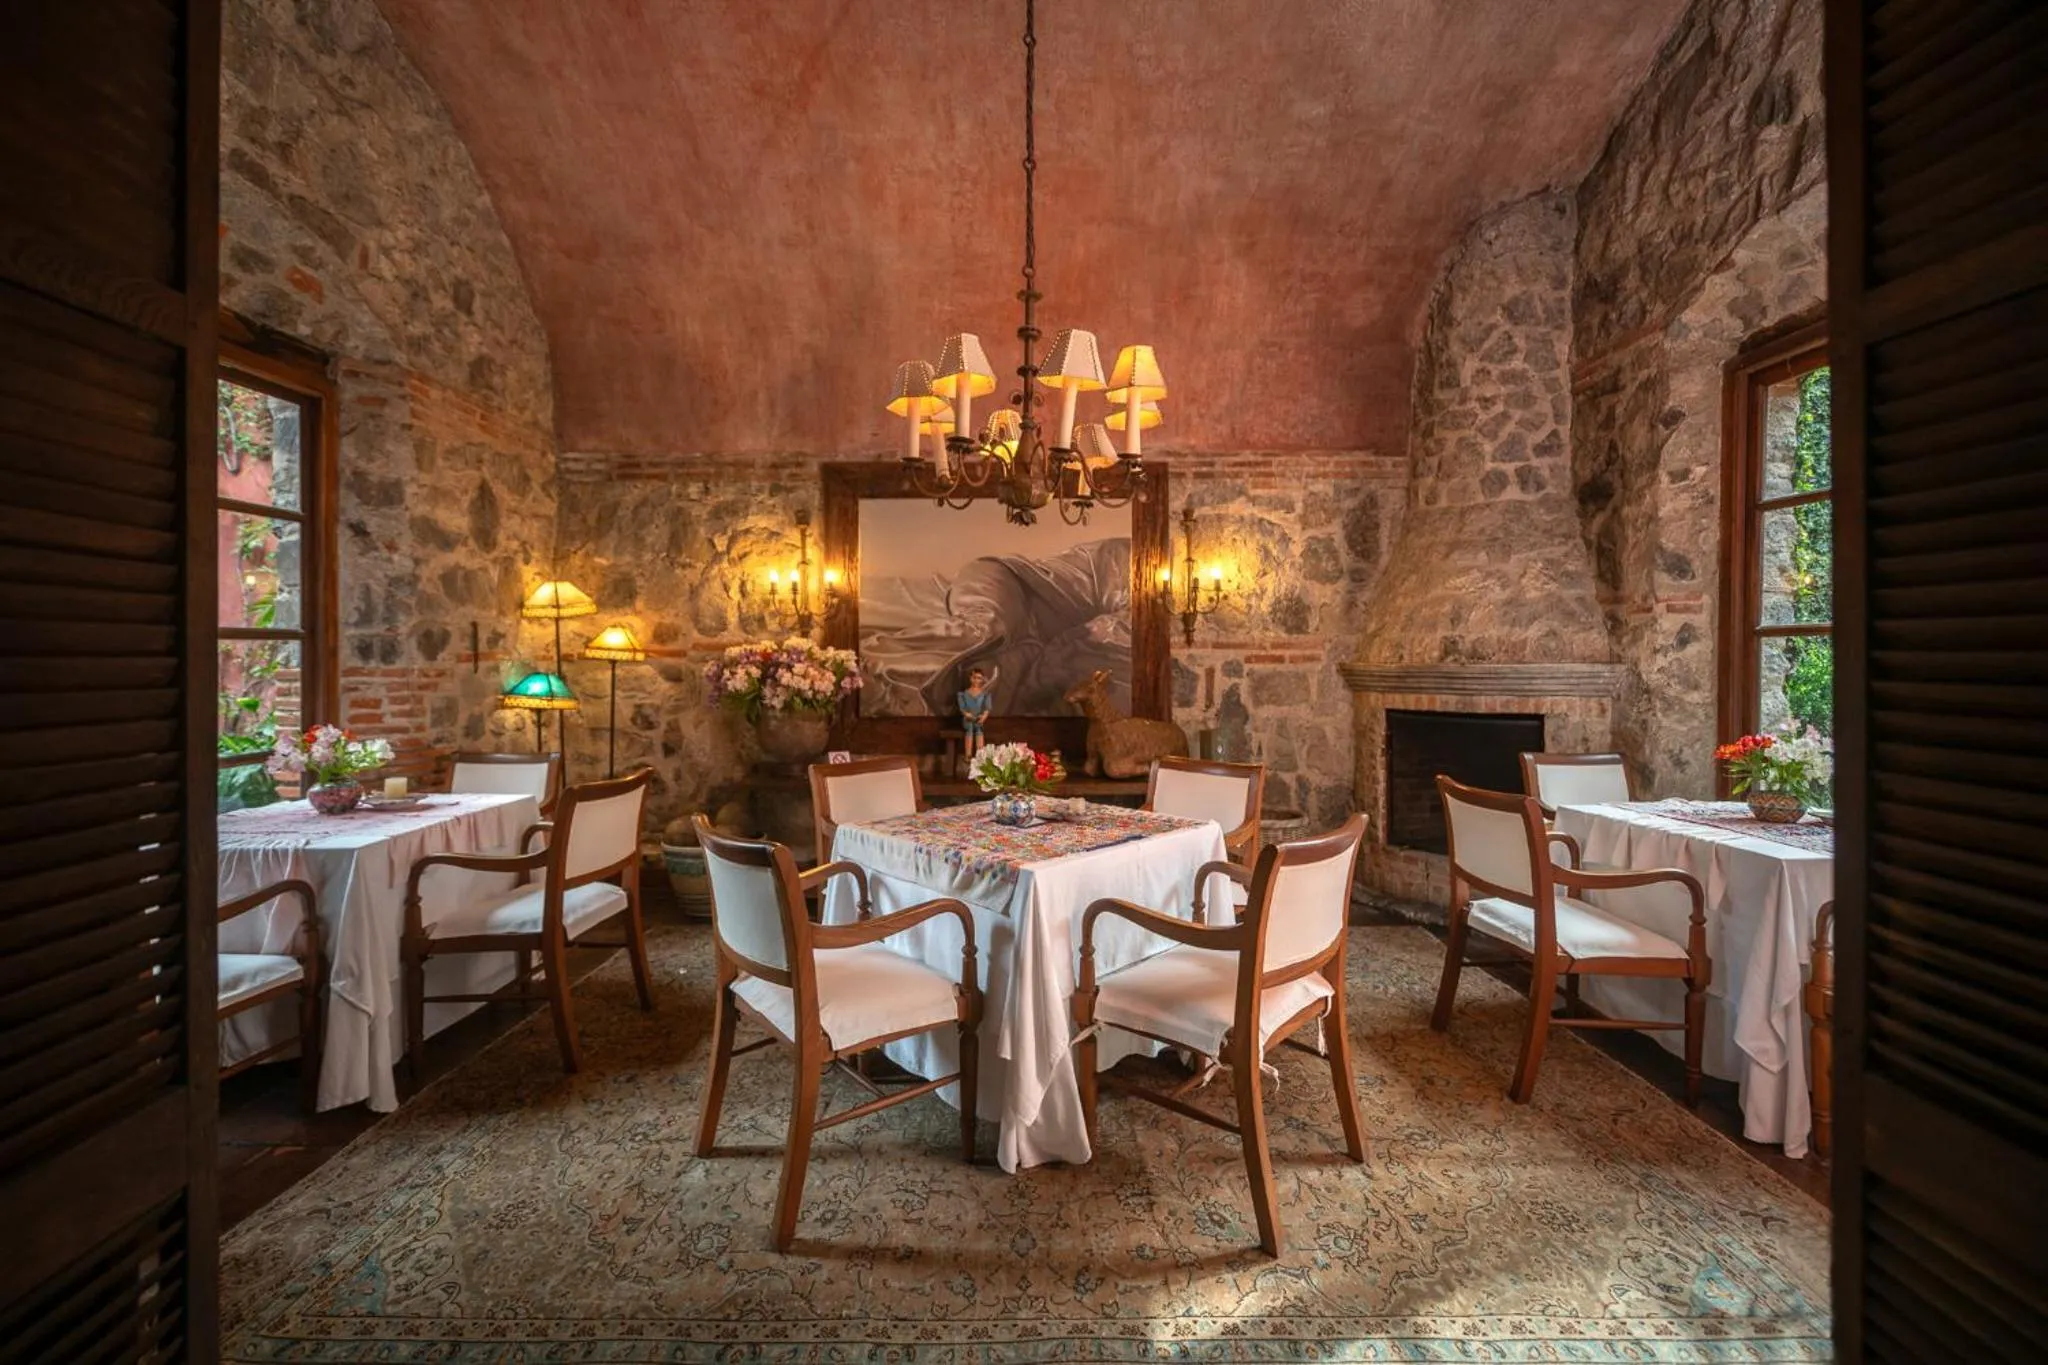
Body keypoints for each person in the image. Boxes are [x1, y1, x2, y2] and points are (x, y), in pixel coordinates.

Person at [957, 667, 994, 757]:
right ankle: (968, 754)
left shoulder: (985, 694)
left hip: (978, 718)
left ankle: (980, 755)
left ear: (982, 680)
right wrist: (966, 714)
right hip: (968, 718)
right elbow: (962, 708)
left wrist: (984, 716)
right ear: (971, 678)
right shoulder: (963, 694)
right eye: (974, 677)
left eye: (979, 678)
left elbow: (987, 708)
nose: (976, 680)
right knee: (969, 727)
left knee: (978, 728)